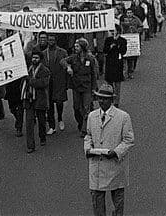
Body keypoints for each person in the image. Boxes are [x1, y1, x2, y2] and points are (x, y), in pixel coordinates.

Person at [84, 83, 135, 216]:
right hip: (97, 165)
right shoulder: (92, 116)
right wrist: (88, 148)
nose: (101, 101)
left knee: (117, 201)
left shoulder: (123, 117)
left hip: (115, 165)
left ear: (111, 100)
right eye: (99, 98)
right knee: (97, 199)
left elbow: (128, 140)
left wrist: (116, 152)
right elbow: (88, 135)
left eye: (105, 99)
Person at [61, 38, 98, 137]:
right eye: (75, 46)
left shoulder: (90, 59)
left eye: (77, 46)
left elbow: (94, 74)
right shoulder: (73, 58)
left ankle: (85, 129)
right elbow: (63, 61)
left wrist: (94, 88)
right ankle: (81, 123)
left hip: (87, 87)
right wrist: (68, 67)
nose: (75, 48)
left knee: (86, 108)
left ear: (83, 47)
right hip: (76, 87)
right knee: (76, 108)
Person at [21, 49, 50, 154]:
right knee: (29, 123)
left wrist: (30, 80)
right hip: (28, 99)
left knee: (41, 121)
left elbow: (42, 84)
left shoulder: (45, 71)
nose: (34, 59)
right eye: (33, 57)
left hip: (40, 99)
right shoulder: (27, 69)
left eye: (37, 58)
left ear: (40, 59)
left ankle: (42, 137)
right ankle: (30, 145)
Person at [42, 34, 68, 134]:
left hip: (59, 80)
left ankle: (60, 118)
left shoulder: (63, 52)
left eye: (53, 40)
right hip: (48, 81)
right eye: (49, 40)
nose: (51, 41)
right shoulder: (43, 53)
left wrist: (66, 82)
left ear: (56, 40)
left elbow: (66, 66)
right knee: (49, 104)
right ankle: (52, 126)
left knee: (59, 102)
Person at [103, 25, 127, 107]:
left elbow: (123, 51)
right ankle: (109, 100)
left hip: (118, 64)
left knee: (117, 86)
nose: (112, 32)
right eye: (111, 31)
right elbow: (105, 50)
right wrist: (111, 46)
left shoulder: (123, 40)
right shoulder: (108, 40)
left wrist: (116, 43)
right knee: (109, 84)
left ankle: (116, 103)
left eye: (114, 30)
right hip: (109, 64)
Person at [122, 10, 143, 79]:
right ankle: (125, 73)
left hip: (134, 40)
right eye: (128, 13)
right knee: (125, 57)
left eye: (130, 13)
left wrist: (136, 31)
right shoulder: (123, 19)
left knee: (133, 57)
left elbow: (141, 26)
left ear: (132, 13)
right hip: (126, 39)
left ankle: (131, 71)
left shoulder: (136, 19)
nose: (129, 14)